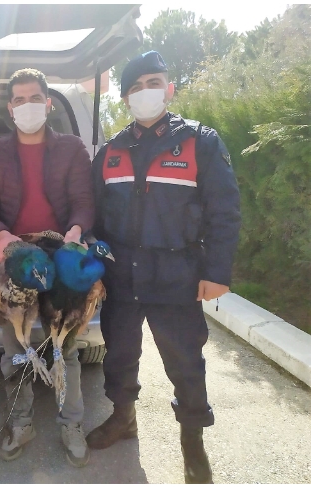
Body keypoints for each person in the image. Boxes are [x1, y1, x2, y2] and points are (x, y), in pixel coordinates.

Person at [87, 51, 241, 483]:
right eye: (135, 88)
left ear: (169, 88)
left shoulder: (200, 142)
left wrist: (217, 271)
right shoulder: (110, 152)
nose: (144, 93)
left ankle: (192, 441)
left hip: (177, 274)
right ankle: (123, 419)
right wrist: (95, 264)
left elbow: (225, 211)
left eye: (153, 82)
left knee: (185, 360)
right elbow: (95, 218)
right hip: (122, 276)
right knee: (119, 354)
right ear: (125, 98)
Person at [0, 68, 95, 467]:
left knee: (67, 350)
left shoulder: (72, 148)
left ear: (48, 103)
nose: (28, 105)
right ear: (11, 108)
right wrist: (1, 236)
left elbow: (83, 201)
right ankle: (21, 422)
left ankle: (71, 424)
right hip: (16, 259)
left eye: (34, 98)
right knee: (18, 349)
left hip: (62, 257)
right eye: (19, 99)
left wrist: (77, 229)